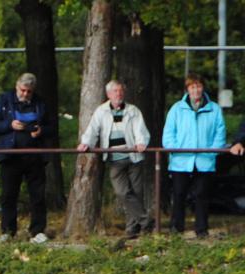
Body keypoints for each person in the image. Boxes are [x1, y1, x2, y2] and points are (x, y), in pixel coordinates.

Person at [78, 80, 151, 239]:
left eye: (120, 91)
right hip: (115, 159)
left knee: (137, 193)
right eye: (115, 91)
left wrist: (141, 142)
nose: (118, 94)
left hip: (133, 156)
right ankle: (146, 220)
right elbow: (93, 129)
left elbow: (140, 130)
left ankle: (132, 229)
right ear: (108, 94)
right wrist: (86, 143)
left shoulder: (133, 110)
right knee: (122, 192)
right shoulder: (101, 111)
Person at [0, 72, 52, 244]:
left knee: (37, 196)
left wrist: (41, 131)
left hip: (35, 156)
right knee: (9, 195)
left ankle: (37, 231)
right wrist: (9, 125)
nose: (25, 94)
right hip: (11, 155)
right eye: (23, 90)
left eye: (29, 91)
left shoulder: (40, 103)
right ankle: (8, 231)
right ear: (17, 87)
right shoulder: (4, 100)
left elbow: (51, 127)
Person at [162, 73, 226, 238]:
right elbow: (168, 134)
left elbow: (220, 134)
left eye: (198, 86)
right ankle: (176, 229)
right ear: (187, 89)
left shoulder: (215, 109)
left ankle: (201, 230)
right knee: (179, 194)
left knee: (202, 195)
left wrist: (212, 151)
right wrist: (176, 149)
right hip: (180, 161)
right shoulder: (176, 109)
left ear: (203, 88)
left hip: (205, 161)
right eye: (192, 87)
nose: (196, 90)